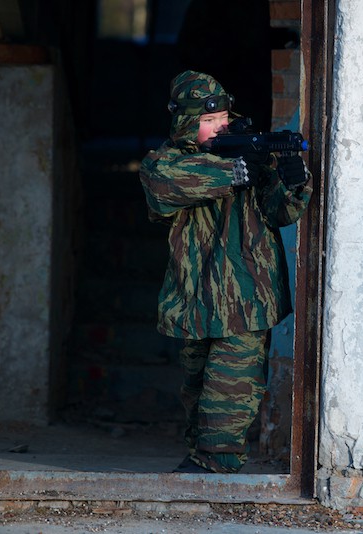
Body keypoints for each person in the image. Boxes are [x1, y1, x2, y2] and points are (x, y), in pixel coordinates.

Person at [139, 70, 312, 473]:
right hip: (196, 300)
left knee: (230, 394)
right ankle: (202, 459)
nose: (220, 127)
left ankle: (215, 466)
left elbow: (279, 212)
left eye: (223, 119)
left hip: (247, 297)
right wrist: (233, 172)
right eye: (208, 121)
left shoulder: (250, 157)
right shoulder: (168, 161)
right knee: (197, 392)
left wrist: (291, 182)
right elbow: (164, 186)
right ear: (185, 123)